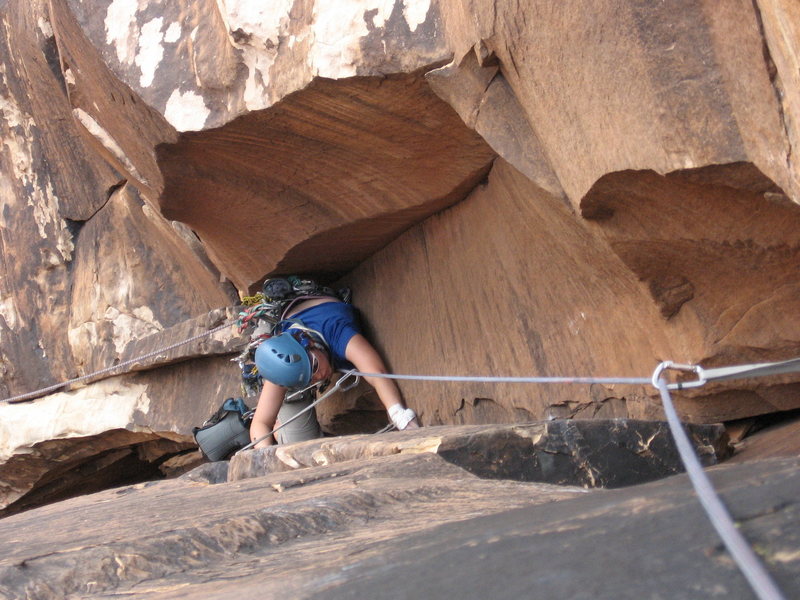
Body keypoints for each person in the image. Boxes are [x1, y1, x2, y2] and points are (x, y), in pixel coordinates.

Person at [249, 296, 419, 448]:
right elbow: (260, 422)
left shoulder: (336, 330)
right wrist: (266, 453)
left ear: (312, 345)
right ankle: (280, 428)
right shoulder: (283, 367)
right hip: (295, 369)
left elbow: (376, 373)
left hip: (321, 316)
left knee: (301, 446)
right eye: (310, 380)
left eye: (315, 367)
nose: (318, 377)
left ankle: (282, 429)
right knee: (299, 447)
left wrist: (398, 413)